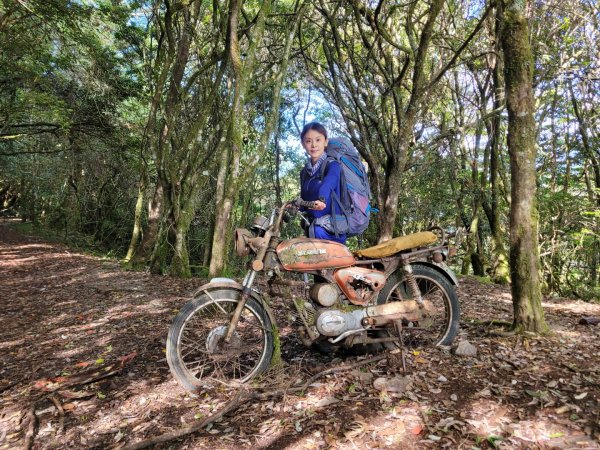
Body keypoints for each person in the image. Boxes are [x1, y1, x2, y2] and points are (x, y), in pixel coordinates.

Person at [299, 122, 347, 245]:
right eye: (308, 141)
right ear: (303, 144)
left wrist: (322, 200)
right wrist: (295, 205)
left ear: (325, 142)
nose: (314, 145)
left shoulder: (333, 165)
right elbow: (305, 200)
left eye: (318, 140)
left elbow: (328, 183)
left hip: (331, 231)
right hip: (313, 229)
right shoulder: (304, 173)